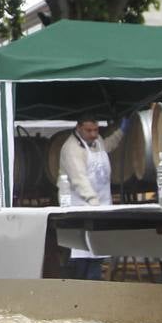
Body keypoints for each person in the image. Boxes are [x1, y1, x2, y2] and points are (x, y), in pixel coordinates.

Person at [57, 119, 124, 279]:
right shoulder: (71, 148)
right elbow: (79, 180)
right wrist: (95, 203)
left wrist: (121, 132)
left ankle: (93, 290)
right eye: (89, 130)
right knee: (81, 255)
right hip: (80, 208)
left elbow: (107, 146)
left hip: (100, 206)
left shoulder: (96, 141)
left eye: (96, 130)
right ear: (78, 128)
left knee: (97, 254)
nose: (94, 134)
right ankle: (82, 293)